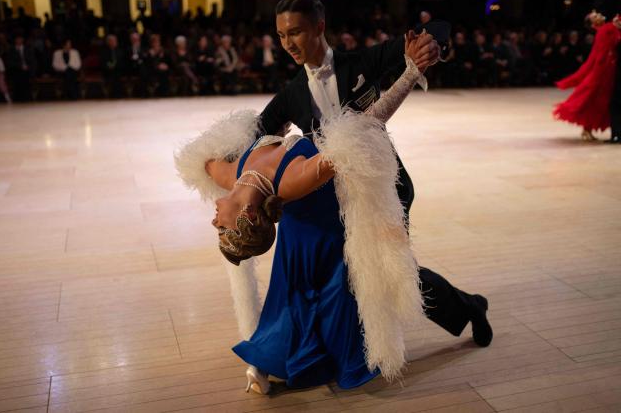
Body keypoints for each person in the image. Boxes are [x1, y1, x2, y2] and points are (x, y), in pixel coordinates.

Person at [177, 31, 458, 393]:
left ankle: (463, 308)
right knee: (346, 289)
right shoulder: (291, 180)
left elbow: (201, 160)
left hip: (320, 220)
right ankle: (288, 358)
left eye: (291, 31)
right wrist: (408, 75)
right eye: (223, 229)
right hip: (327, 226)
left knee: (344, 288)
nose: (214, 220)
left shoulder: (230, 173)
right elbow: (361, 129)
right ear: (247, 217)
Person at [553, 11, 621, 141]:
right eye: (594, 16)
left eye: (597, 14)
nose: (599, 15)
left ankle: (588, 129)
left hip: (608, 69)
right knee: (592, 99)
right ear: (592, 23)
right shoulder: (604, 30)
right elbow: (602, 53)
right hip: (603, 70)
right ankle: (587, 128)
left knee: (597, 101)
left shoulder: (607, 27)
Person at [6, 34, 36, 101]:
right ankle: (17, 99)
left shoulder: (28, 48)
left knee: (27, 79)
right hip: (16, 71)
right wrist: (20, 66)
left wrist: (29, 68)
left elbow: (32, 60)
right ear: (15, 40)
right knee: (18, 78)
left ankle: (28, 98)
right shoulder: (11, 50)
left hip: (27, 71)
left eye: (20, 38)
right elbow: (9, 62)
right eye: (17, 39)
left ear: (23, 39)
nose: (19, 40)